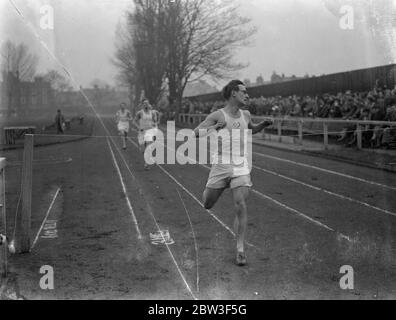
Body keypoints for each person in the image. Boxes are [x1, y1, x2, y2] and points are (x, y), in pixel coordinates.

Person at [193, 80, 272, 266]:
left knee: (240, 204)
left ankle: (240, 249)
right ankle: (211, 192)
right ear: (233, 94)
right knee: (207, 203)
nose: (248, 95)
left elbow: (250, 129)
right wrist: (214, 128)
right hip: (220, 166)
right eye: (244, 92)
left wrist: (263, 125)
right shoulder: (218, 115)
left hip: (240, 165)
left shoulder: (246, 114)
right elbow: (196, 132)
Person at [134, 99, 158, 169]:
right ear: (142, 105)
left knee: (148, 148)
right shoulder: (140, 113)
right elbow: (134, 121)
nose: (146, 104)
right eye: (144, 103)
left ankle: (146, 164)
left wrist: (155, 127)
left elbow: (155, 122)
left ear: (148, 104)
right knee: (142, 149)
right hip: (142, 132)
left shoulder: (152, 113)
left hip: (149, 132)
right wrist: (139, 127)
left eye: (147, 103)